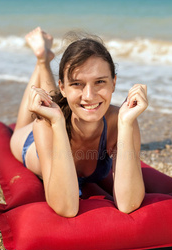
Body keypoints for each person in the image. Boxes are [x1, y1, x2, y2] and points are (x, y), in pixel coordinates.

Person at [10, 27, 148, 217]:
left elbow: (128, 204)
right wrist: (57, 123)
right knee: (44, 106)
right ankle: (42, 62)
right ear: (63, 87)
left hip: (68, 106)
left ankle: (45, 61)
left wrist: (125, 124)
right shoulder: (46, 124)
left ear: (114, 83)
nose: (90, 96)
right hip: (28, 144)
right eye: (77, 83)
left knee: (68, 101)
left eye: (100, 82)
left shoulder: (122, 120)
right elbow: (67, 208)